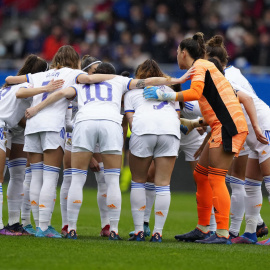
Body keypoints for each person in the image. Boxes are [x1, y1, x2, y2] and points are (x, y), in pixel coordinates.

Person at [24, 62, 193, 240]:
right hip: (111, 124)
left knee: (77, 178)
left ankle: (71, 228)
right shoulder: (120, 81)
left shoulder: (81, 84)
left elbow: (60, 93)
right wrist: (177, 79)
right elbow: (149, 81)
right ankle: (114, 229)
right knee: (113, 180)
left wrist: (36, 108)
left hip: (85, 122)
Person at [144, 32, 249, 244]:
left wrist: (167, 95)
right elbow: (219, 105)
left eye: (176, 52)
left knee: (216, 178)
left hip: (228, 128)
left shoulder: (201, 65)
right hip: (224, 125)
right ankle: (203, 229)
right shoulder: (204, 67)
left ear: (184, 53)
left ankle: (222, 233)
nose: (176, 56)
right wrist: (195, 123)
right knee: (201, 175)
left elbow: (195, 92)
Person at [5, 45, 118, 238]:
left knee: (35, 177)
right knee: (49, 178)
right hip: (51, 126)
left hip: (32, 125)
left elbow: (9, 79)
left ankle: (32, 223)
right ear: (75, 61)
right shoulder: (72, 73)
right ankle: (44, 226)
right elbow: (89, 79)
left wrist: (43, 88)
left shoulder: (41, 75)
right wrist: (117, 78)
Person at [206, 35, 270, 245]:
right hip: (253, 136)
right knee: (251, 184)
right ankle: (251, 233)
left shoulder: (225, 79)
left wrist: (258, 127)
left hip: (262, 129)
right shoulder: (232, 72)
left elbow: (248, 99)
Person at [0, 54, 63, 235]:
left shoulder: (10, 85)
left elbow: (18, 115)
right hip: (3, 126)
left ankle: (13, 223)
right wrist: (48, 87)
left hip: (11, 128)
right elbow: (21, 94)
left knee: (18, 176)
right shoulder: (27, 85)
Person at [124, 59, 181, 242]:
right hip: (170, 131)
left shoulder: (132, 92)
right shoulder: (171, 91)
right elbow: (177, 117)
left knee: (138, 181)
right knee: (163, 184)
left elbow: (131, 121)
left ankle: (139, 230)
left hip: (144, 130)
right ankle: (158, 232)